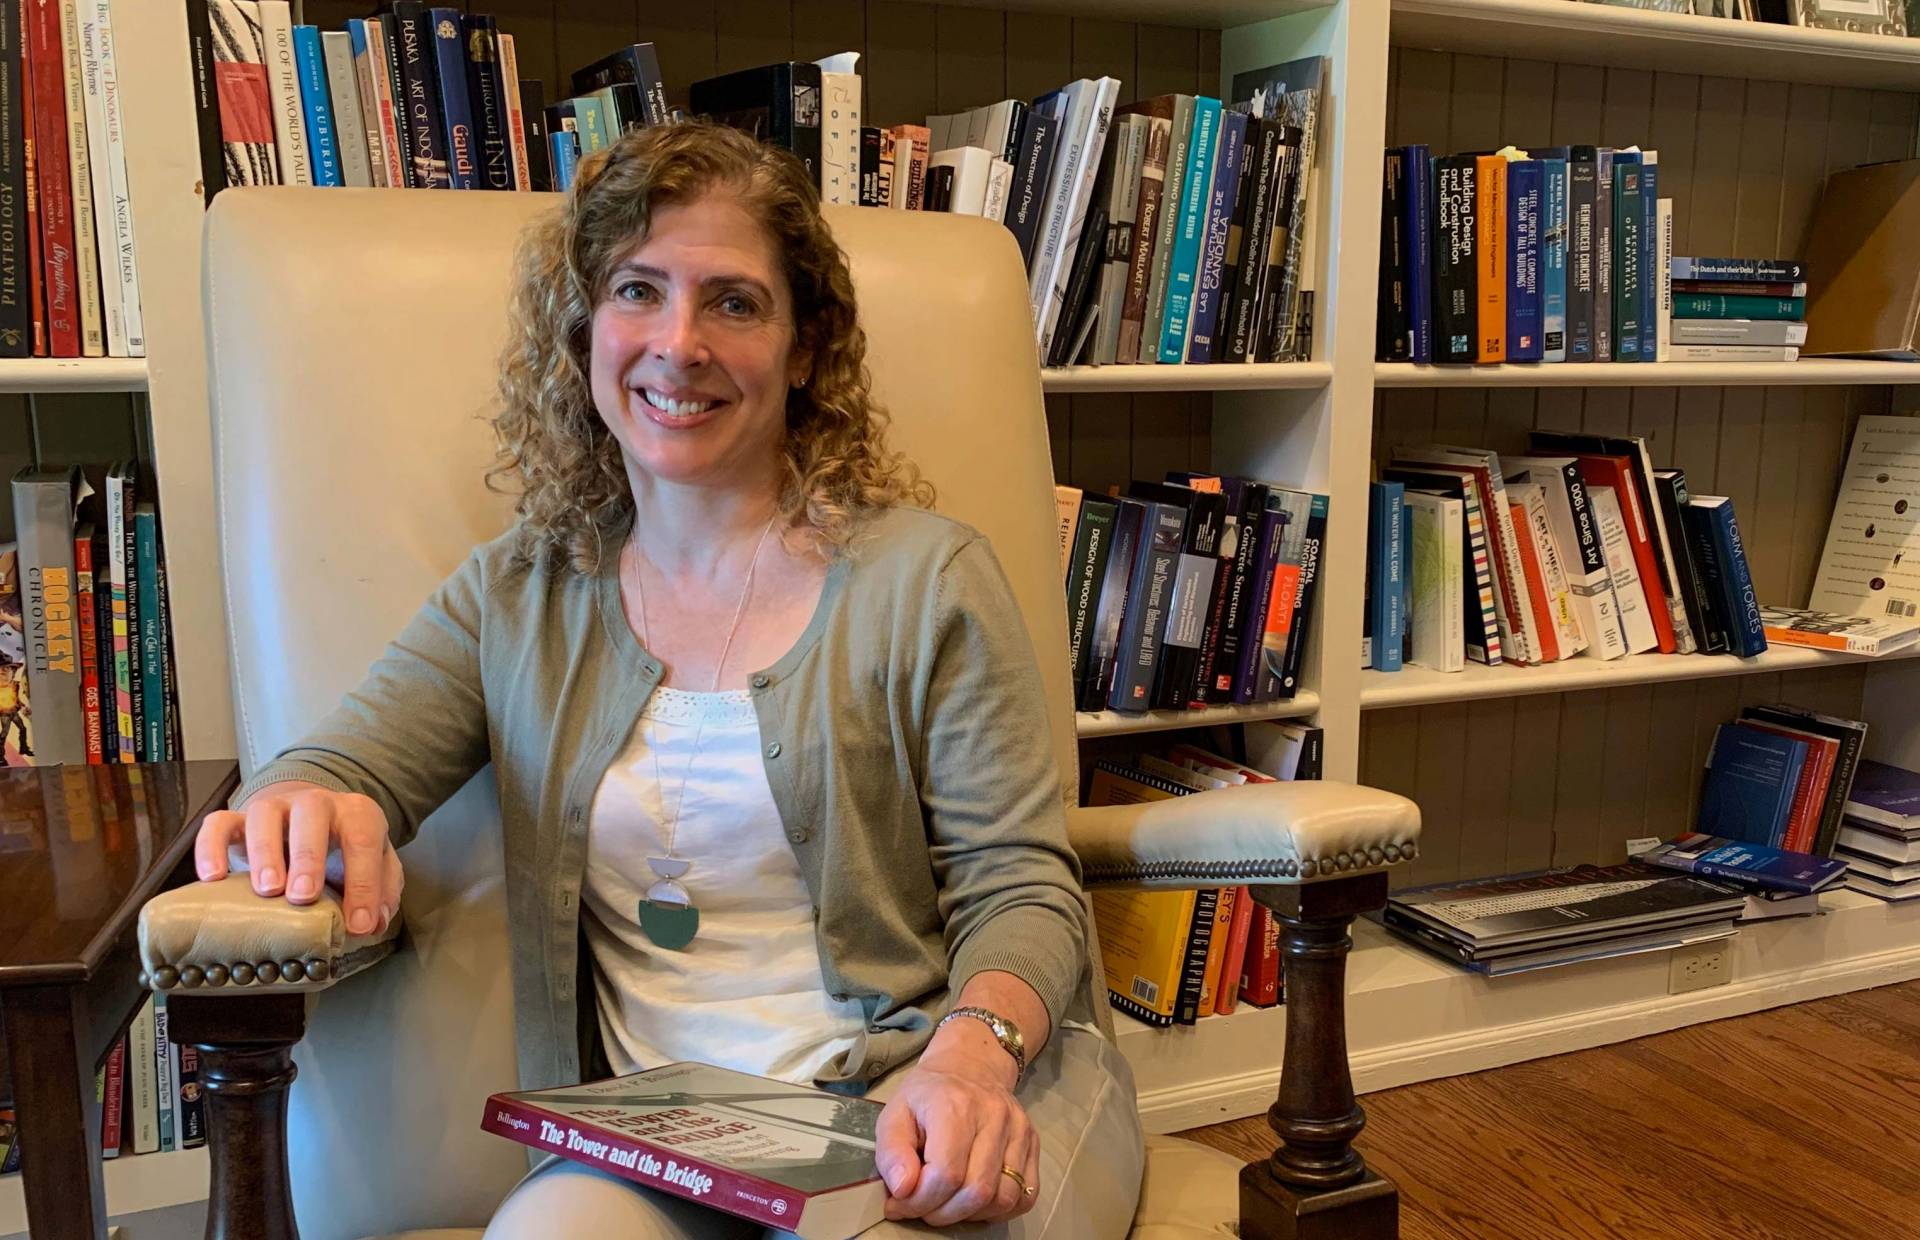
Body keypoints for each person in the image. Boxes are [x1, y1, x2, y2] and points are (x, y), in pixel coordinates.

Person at [191, 120, 1144, 1237]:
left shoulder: (926, 580)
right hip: (676, 1145)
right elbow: (339, 762)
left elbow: (1020, 886)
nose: (678, 344)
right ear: (587, 326)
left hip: (942, 1097)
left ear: (804, 347)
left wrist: (970, 1060)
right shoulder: (518, 594)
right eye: (638, 291)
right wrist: (308, 799)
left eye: (733, 303)